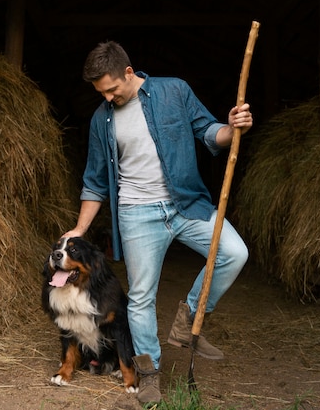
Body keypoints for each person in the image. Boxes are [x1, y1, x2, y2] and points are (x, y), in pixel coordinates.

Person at [63, 41, 252, 404]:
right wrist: (80, 229)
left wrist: (233, 126)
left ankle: (189, 319)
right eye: (101, 92)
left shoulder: (174, 90)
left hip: (187, 203)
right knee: (140, 297)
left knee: (234, 252)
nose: (108, 97)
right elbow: (95, 180)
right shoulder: (101, 119)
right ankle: (148, 375)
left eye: (112, 89)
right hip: (137, 213)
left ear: (129, 73)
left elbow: (210, 132)